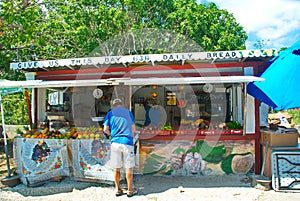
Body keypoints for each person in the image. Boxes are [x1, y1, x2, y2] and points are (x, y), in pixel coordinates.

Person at [103, 98, 138, 197]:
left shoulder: (110, 114)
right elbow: (133, 129)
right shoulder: (128, 113)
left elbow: (105, 129)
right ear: (122, 105)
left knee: (116, 168)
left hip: (115, 143)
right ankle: (130, 190)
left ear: (113, 106)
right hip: (127, 142)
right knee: (129, 167)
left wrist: (112, 135)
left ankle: (118, 189)